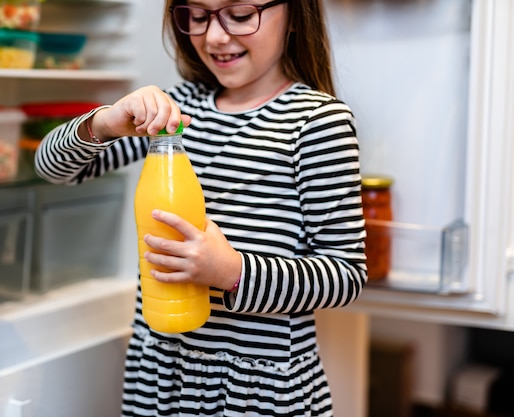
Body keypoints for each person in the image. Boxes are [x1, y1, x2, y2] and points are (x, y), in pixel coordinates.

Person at [35, 0, 367, 415]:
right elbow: (53, 169)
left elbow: (345, 274)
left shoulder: (318, 123)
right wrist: (103, 123)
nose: (214, 36)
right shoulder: (176, 112)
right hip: (161, 372)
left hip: (256, 388)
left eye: (241, 15)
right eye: (197, 14)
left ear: (295, 15)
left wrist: (231, 271)